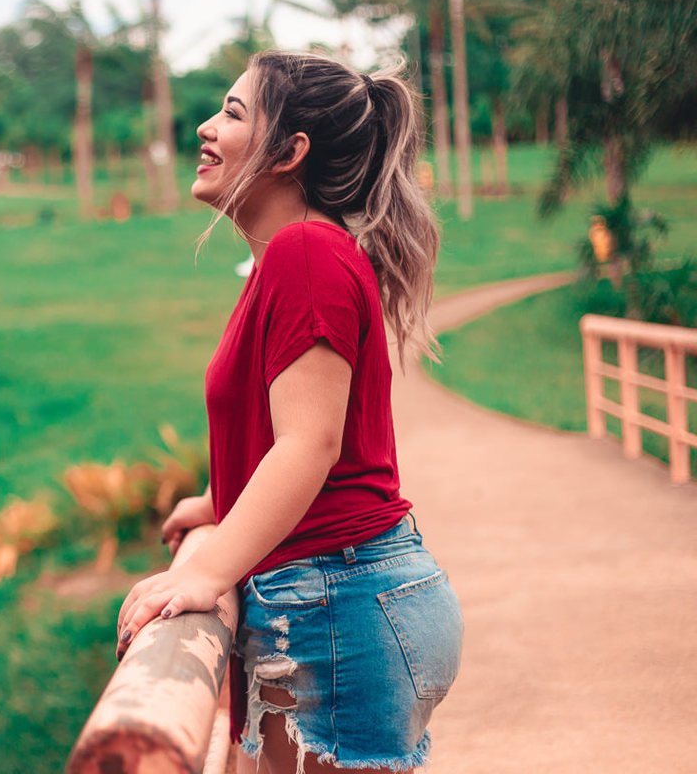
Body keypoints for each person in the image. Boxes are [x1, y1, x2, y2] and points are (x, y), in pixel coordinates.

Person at [114, 52, 464, 774]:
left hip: (341, 601)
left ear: (290, 152)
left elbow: (310, 445)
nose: (207, 129)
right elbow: (286, 430)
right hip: (342, 596)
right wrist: (219, 502)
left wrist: (205, 571)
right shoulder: (289, 257)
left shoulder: (305, 251)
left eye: (234, 114)